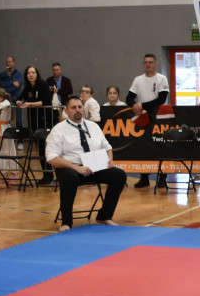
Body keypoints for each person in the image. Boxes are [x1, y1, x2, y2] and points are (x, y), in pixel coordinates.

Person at [45, 96, 126, 231]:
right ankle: (66, 222)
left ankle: (104, 216)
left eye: (80, 107)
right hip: (70, 168)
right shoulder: (58, 130)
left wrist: (110, 160)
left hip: (94, 166)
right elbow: (51, 157)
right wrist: (77, 168)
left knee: (119, 175)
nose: (77, 110)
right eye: (73, 107)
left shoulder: (93, 126)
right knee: (69, 178)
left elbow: (107, 147)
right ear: (66, 110)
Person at [127, 53, 170, 187]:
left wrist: (142, 105)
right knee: (143, 146)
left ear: (156, 64)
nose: (148, 64)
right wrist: (135, 106)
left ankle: (162, 178)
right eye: (146, 62)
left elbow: (161, 99)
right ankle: (144, 178)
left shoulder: (162, 79)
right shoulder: (138, 79)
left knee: (160, 146)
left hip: (158, 116)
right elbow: (129, 97)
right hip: (143, 116)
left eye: (151, 62)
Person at [16, 65, 51, 183]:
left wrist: (31, 104)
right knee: (40, 149)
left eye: (33, 72)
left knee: (45, 149)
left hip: (45, 120)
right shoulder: (27, 87)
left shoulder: (43, 85)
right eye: (29, 73)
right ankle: (46, 175)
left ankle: (50, 174)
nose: (31, 75)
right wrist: (19, 102)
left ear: (37, 74)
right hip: (33, 121)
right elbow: (19, 98)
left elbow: (46, 101)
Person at [0, 55, 22, 128]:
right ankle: (7, 134)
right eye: (7, 62)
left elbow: (17, 86)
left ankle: (20, 135)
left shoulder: (19, 74)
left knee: (18, 121)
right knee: (6, 119)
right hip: (6, 99)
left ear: (14, 63)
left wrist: (6, 87)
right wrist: (12, 83)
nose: (8, 63)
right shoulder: (2, 74)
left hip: (16, 99)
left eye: (10, 62)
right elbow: (1, 84)